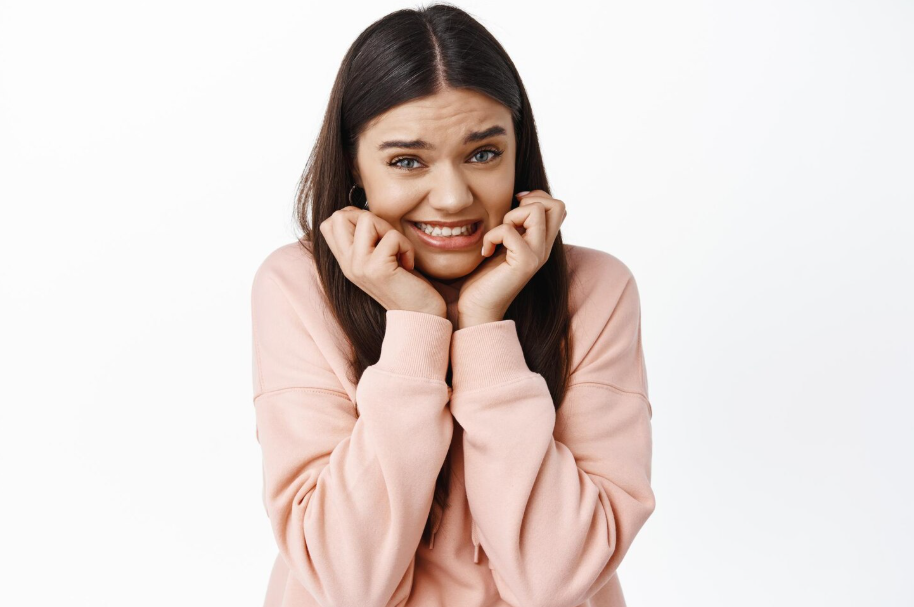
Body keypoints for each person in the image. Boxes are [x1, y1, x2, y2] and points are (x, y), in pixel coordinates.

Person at [250, 5, 655, 606]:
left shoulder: (595, 290)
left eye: (484, 154)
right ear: (354, 166)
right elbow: (344, 582)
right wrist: (416, 328)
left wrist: (485, 326)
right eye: (407, 161)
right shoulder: (297, 287)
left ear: (520, 152)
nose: (452, 196)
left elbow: (556, 581)